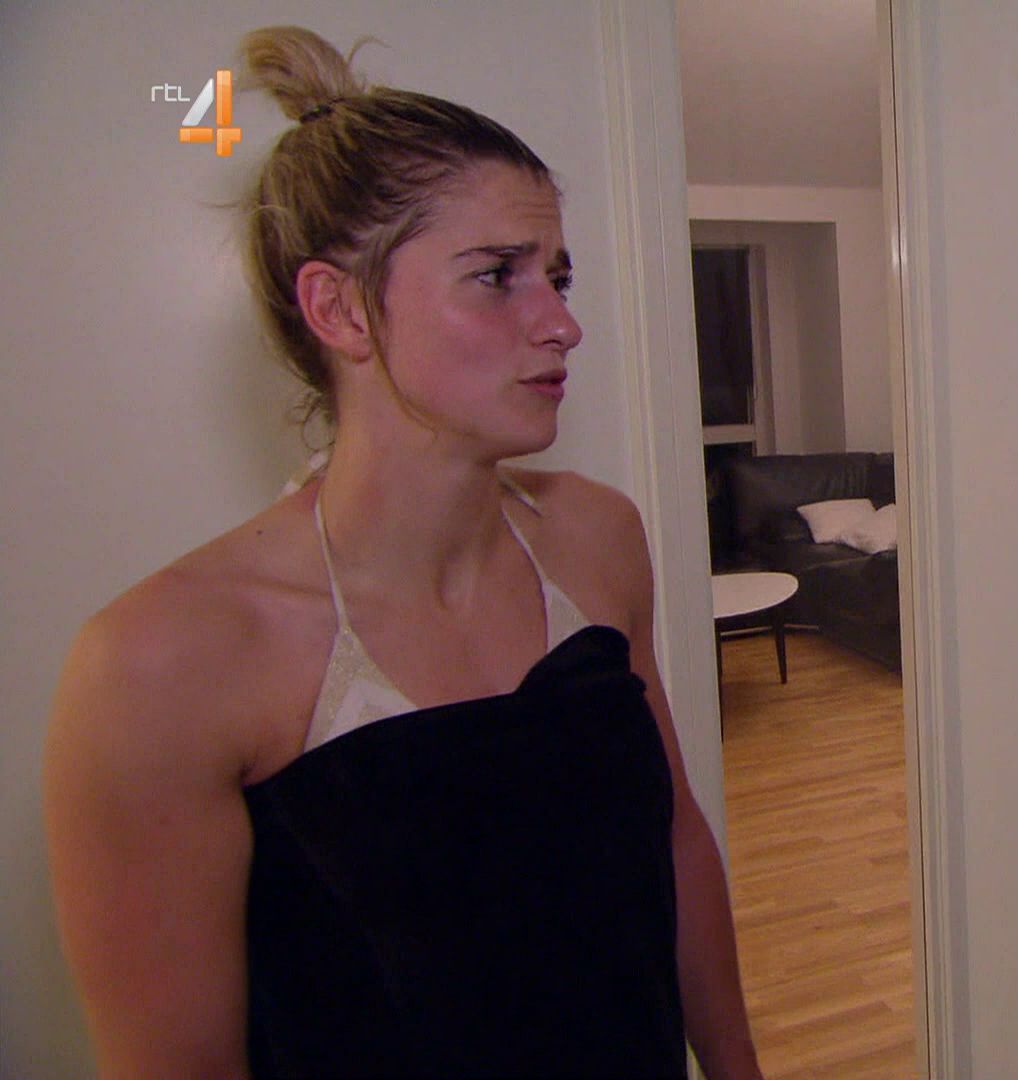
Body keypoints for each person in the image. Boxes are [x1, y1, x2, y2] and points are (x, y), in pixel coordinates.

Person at [43, 25, 761, 1079]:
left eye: (558, 277)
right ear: (339, 309)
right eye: (498, 275)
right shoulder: (159, 664)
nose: (562, 323)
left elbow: (676, 838)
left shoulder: (598, 540)